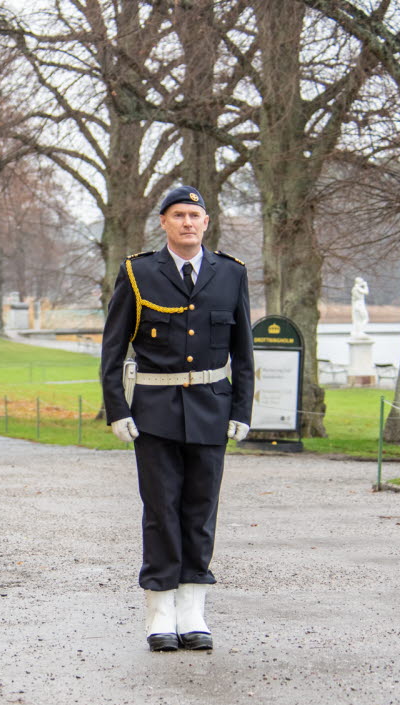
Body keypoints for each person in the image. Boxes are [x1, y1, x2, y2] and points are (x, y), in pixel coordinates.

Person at [99, 186, 254, 652]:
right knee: (161, 510)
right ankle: (160, 610)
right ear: (163, 222)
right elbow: (113, 347)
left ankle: (193, 611)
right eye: (178, 215)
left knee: (201, 510)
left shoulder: (231, 274)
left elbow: (243, 350)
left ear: (207, 223)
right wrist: (117, 409)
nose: (188, 222)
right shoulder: (138, 272)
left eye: (195, 215)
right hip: (155, 411)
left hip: (211, 408)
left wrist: (242, 409)